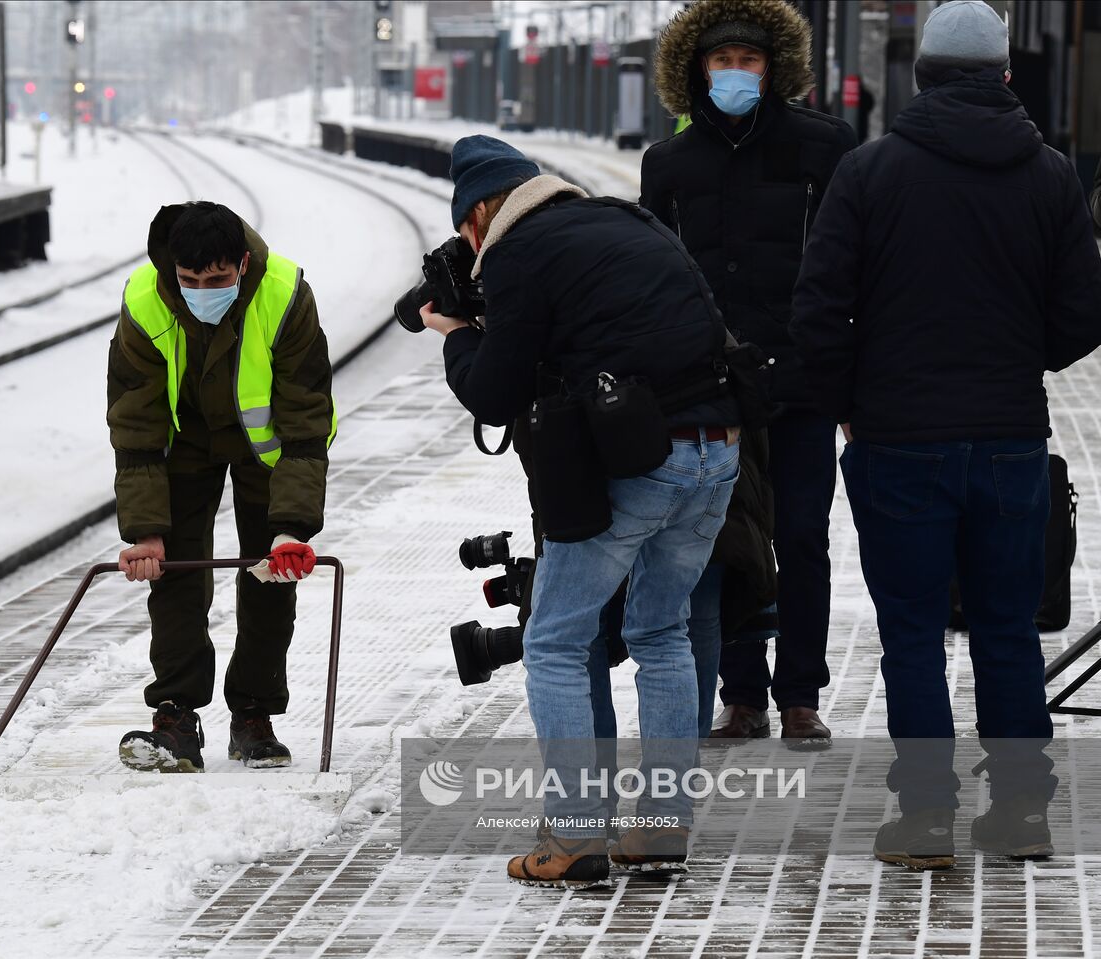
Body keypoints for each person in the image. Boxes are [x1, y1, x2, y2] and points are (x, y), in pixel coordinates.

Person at [792, 0, 1101, 869]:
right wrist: (1020, 360)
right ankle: (1022, 813)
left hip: (897, 440)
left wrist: (850, 399)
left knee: (913, 635)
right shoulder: (1049, 175)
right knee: (1007, 631)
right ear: (1006, 76)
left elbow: (817, 310)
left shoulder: (871, 171)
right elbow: (1083, 310)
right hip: (1008, 438)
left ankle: (926, 818)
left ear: (920, 76)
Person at [423, 135, 742, 888]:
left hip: (644, 460)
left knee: (558, 640)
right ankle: (662, 828)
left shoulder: (516, 254)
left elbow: (496, 392)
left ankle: (572, 837)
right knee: (661, 629)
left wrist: (458, 334)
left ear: (477, 218)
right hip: (719, 450)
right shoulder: (628, 219)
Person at [639, 0, 857, 746]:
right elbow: (650, 274)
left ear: (776, 69)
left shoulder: (825, 147)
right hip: (709, 390)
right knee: (724, 541)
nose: (736, 73)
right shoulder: (670, 163)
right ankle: (742, 696)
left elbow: (853, 266)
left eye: (750, 61)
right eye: (722, 61)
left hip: (800, 381)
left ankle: (800, 695)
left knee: (801, 538)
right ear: (697, 69)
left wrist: (849, 379)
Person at [108, 201, 336, 773]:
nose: (202, 290)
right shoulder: (145, 300)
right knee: (177, 574)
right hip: (184, 440)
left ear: (242, 263)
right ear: (172, 272)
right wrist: (145, 532)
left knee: (269, 575)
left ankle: (254, 715)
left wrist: (293, 528)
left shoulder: (284, 295)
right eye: (189, 281)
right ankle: (175, 716)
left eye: (217, 280)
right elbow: (135, 424)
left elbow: (307, 421)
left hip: (267, 445)